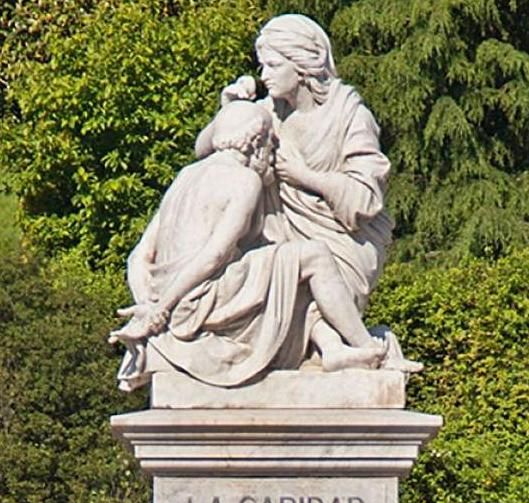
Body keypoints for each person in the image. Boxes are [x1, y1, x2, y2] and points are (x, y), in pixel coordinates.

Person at [196, 14, 421, 372]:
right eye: (262, 65)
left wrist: (305, 176)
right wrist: (228, 112)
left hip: (345, 240)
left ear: (302, 67)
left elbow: (365, 197)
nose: (264, 74)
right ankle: (335, 350)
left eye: (272, 64)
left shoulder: (350, 115)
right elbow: (207, 151)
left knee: (302, 273)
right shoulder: (269, 112)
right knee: (266, 272)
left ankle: (349, 346)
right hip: (280, 237)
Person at [110, 100, 386, 390]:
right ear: (256, 142)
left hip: (173, 295)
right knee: (313, 256)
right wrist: (160, 310)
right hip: (201, 298)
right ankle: (368, 347)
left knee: (286, 274)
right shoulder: (245, 180)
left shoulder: (186, 175)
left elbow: (138, 256)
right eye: (270, 145)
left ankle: (332, 349)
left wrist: (148, 302)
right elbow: (215, 255)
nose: (271, 155)